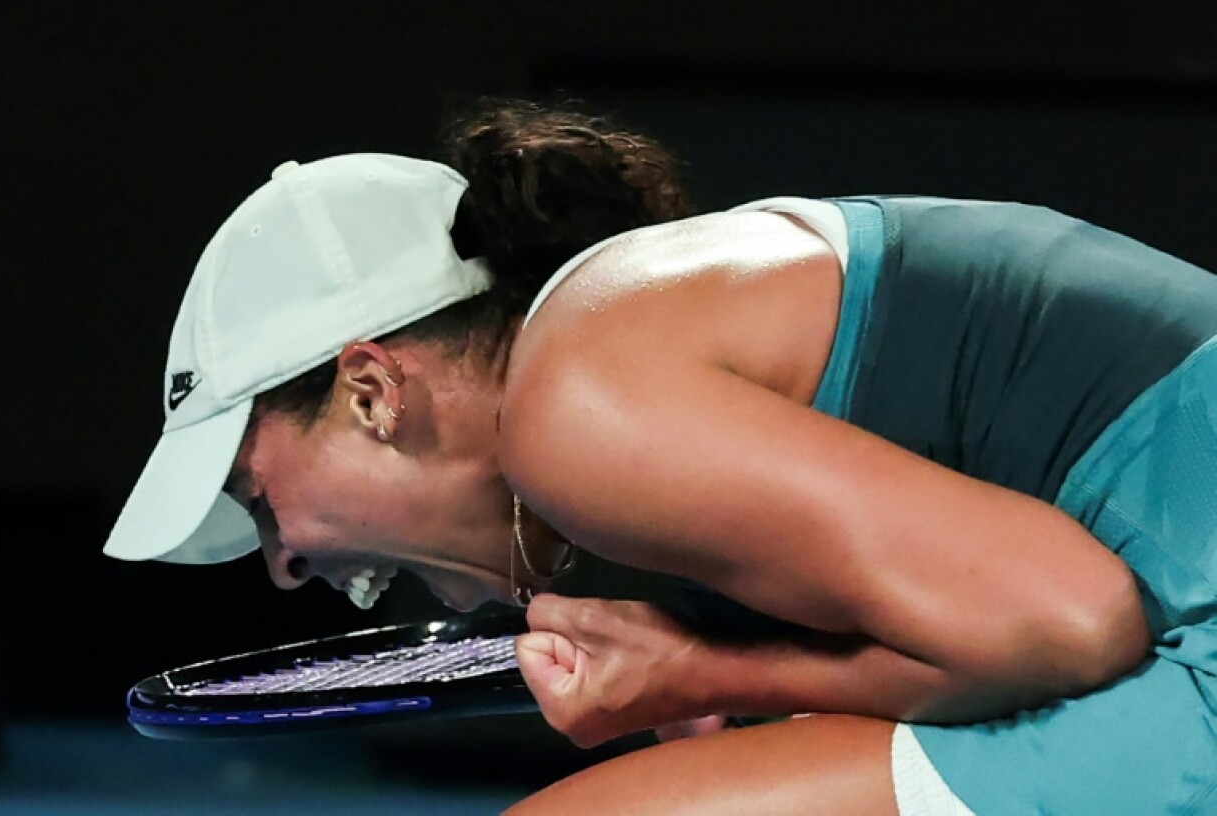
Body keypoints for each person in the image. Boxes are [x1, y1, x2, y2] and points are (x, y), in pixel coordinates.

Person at [102, 98, 1216, 815]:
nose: (282, 564)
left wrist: (703, 674)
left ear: (372, 389)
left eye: (256, 499)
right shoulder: (630, 347)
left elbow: (1073, 627)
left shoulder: (571, 407)